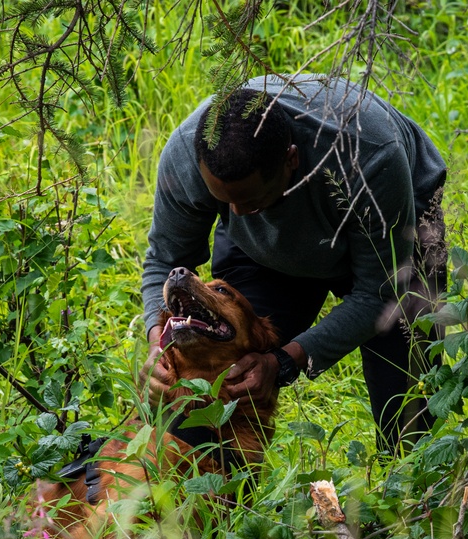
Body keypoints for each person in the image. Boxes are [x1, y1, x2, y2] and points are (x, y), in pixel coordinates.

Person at [140, 74, 447, 453]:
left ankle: (414, 501)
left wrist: (284, 362)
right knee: (222, 375)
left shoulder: (370, 154)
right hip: (262, 252)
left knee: (406, 409)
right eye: (224, 202)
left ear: (291, 160)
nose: (235, 214)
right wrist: (159, 344)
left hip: (390, 233)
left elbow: (380, 294)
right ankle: (212, 505)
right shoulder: (188, 153)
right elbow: (163, 261)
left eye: (249, 203)